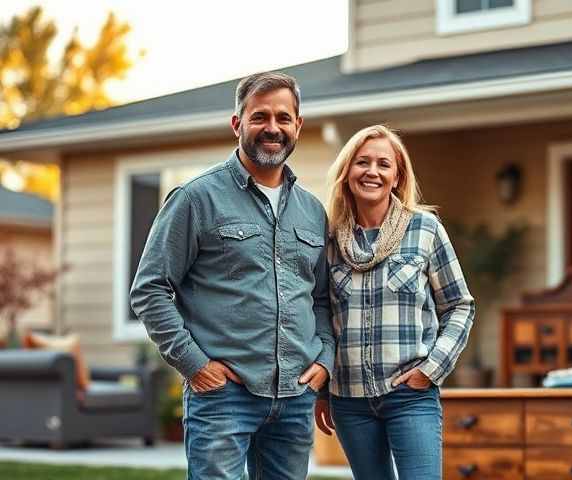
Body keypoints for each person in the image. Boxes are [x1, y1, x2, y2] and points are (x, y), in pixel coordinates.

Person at [130, 72, 334, 480]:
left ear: (298, 125)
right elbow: (150, 290)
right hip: (223, 397)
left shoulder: (312, 211)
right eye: (260, 117)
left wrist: (325, 359)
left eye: (283, 118)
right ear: (237, 124)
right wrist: (194, 363)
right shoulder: (195, 198)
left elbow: (322, 298)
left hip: (295, 397)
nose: (272, 128)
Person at [315, 125, 475, 479]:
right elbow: (322, 315)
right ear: (347, 172)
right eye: (362, 162)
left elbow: (459, 306)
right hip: (349, 400)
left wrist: (430, 370)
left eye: (383, 164)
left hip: (410, 396)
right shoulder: (328, 239)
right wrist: (324, 390)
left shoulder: (424, 228)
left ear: (397, 176)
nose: (372, 171)